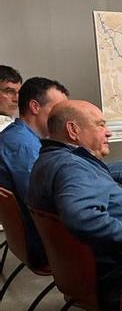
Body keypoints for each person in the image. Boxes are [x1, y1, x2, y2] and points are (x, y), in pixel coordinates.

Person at [27, 100, 122, 311]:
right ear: (73, 130)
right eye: (100, 124)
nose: (108, 132)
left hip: (91, 274)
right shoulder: (72, 167)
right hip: (121, 276)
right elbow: (83, 218)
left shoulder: (49, 160)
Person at [0, 77, 69, 266]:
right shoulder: (23, 146)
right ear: (35, 107)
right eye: (59, 109)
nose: (64, 117)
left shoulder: (19, 136)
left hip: (30, 235)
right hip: (46, 242)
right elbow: (43, 201)